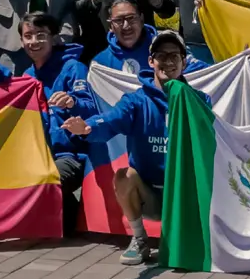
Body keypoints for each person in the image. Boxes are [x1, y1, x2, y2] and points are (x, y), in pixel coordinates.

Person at [61, 29, 191, 265]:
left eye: (175, 56)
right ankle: (139, 239)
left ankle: (188, 237)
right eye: (162, 55)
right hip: (149, 194)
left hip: (184, 194)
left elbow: (217, 139)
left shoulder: (198, 100)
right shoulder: (136, 101)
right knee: (124, 176)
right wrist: (87, 127)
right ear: (151, 61)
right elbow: (112, 119)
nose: (168, 62)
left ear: (184, 61)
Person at [15, 11, 97, 233]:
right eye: (28, 36)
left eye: (41, 35)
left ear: (53, 37)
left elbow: (92, 107)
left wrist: (72, 102)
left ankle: (75, 219)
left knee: (45, 180)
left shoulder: (74, 68)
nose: (34, 42)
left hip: (72, 156)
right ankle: (72, 220)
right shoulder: (25, 77)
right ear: (21, 41)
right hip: (39, 156)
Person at [89, 0, 153, 74]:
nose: (126, 26)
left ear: (141, 20)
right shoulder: (100, 63)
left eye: (131, 18)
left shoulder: (161, 53)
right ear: (110, 25)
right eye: (118, 20)